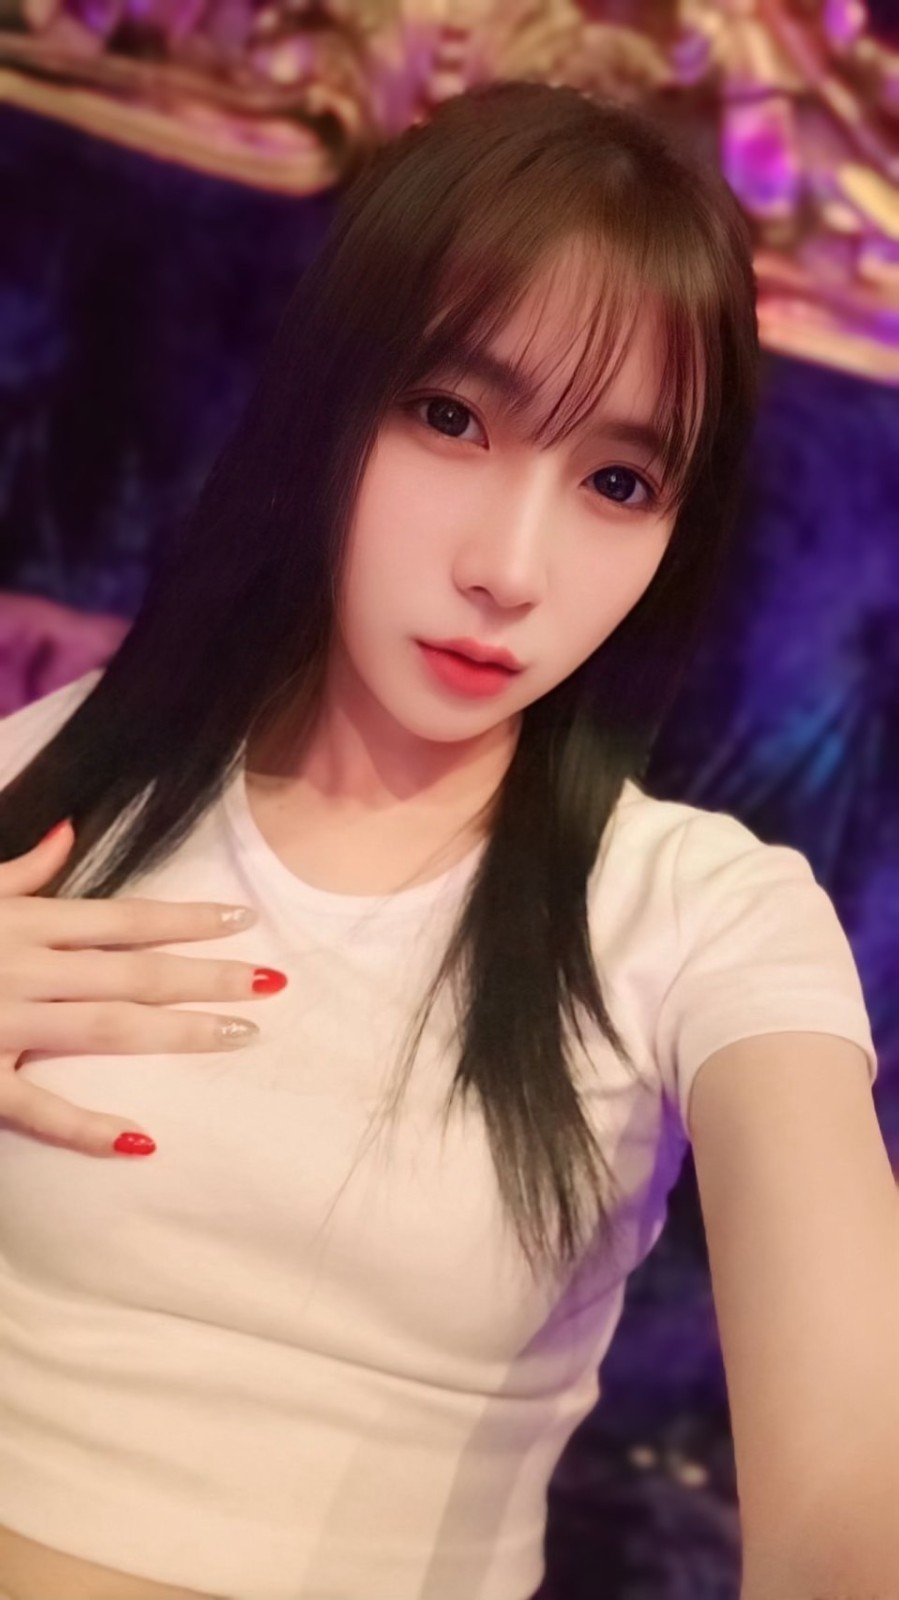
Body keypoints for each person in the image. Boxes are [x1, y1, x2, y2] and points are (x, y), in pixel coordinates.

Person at [0, 79, 886, 1600]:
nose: (510, 569)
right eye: (451, 417)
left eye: (619, 482)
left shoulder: (708, 917)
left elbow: (858, 1485)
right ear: (329, 403)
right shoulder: (58, 769)